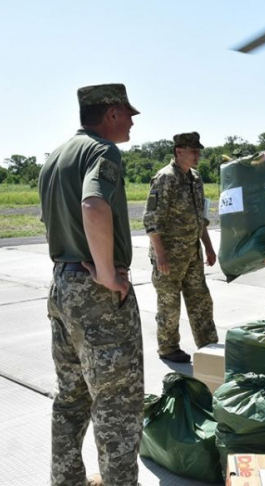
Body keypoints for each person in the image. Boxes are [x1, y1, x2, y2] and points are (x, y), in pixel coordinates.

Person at [38, 83, 144, 486]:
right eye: (128, 113)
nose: (133, 120)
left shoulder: (56, 158)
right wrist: (104, 271)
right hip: (95, 291)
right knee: (118, 405)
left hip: (62, 284)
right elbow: (94, 204)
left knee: (71, 398)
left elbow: (50, 220)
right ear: (112, 113)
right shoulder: (102, 151)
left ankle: (66, 480)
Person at [143, 132, 218, 363]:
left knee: (201, 301)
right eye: (193, 151)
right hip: (169, 257)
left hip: (192, 254)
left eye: (198, 151)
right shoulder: (165, 178)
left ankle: (208, 344)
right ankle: (168, 347)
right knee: (169, 305)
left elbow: (200, 218)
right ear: (179, 152)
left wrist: (208, 247)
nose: (197, 155)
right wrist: (161, 256)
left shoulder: (195, 178)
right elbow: (151, 220)